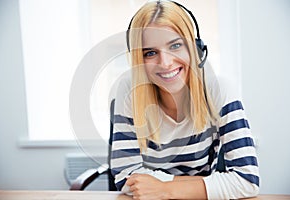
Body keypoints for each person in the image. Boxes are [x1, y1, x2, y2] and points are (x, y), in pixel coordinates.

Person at [110, 1, 260, 199]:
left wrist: (163, 189)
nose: (165, 63)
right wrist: (204, 184)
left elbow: (247, 181)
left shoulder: (219, 89)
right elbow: (125, 177)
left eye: (175, 45)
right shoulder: (129, 88)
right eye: (150, 53)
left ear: (195, 48)